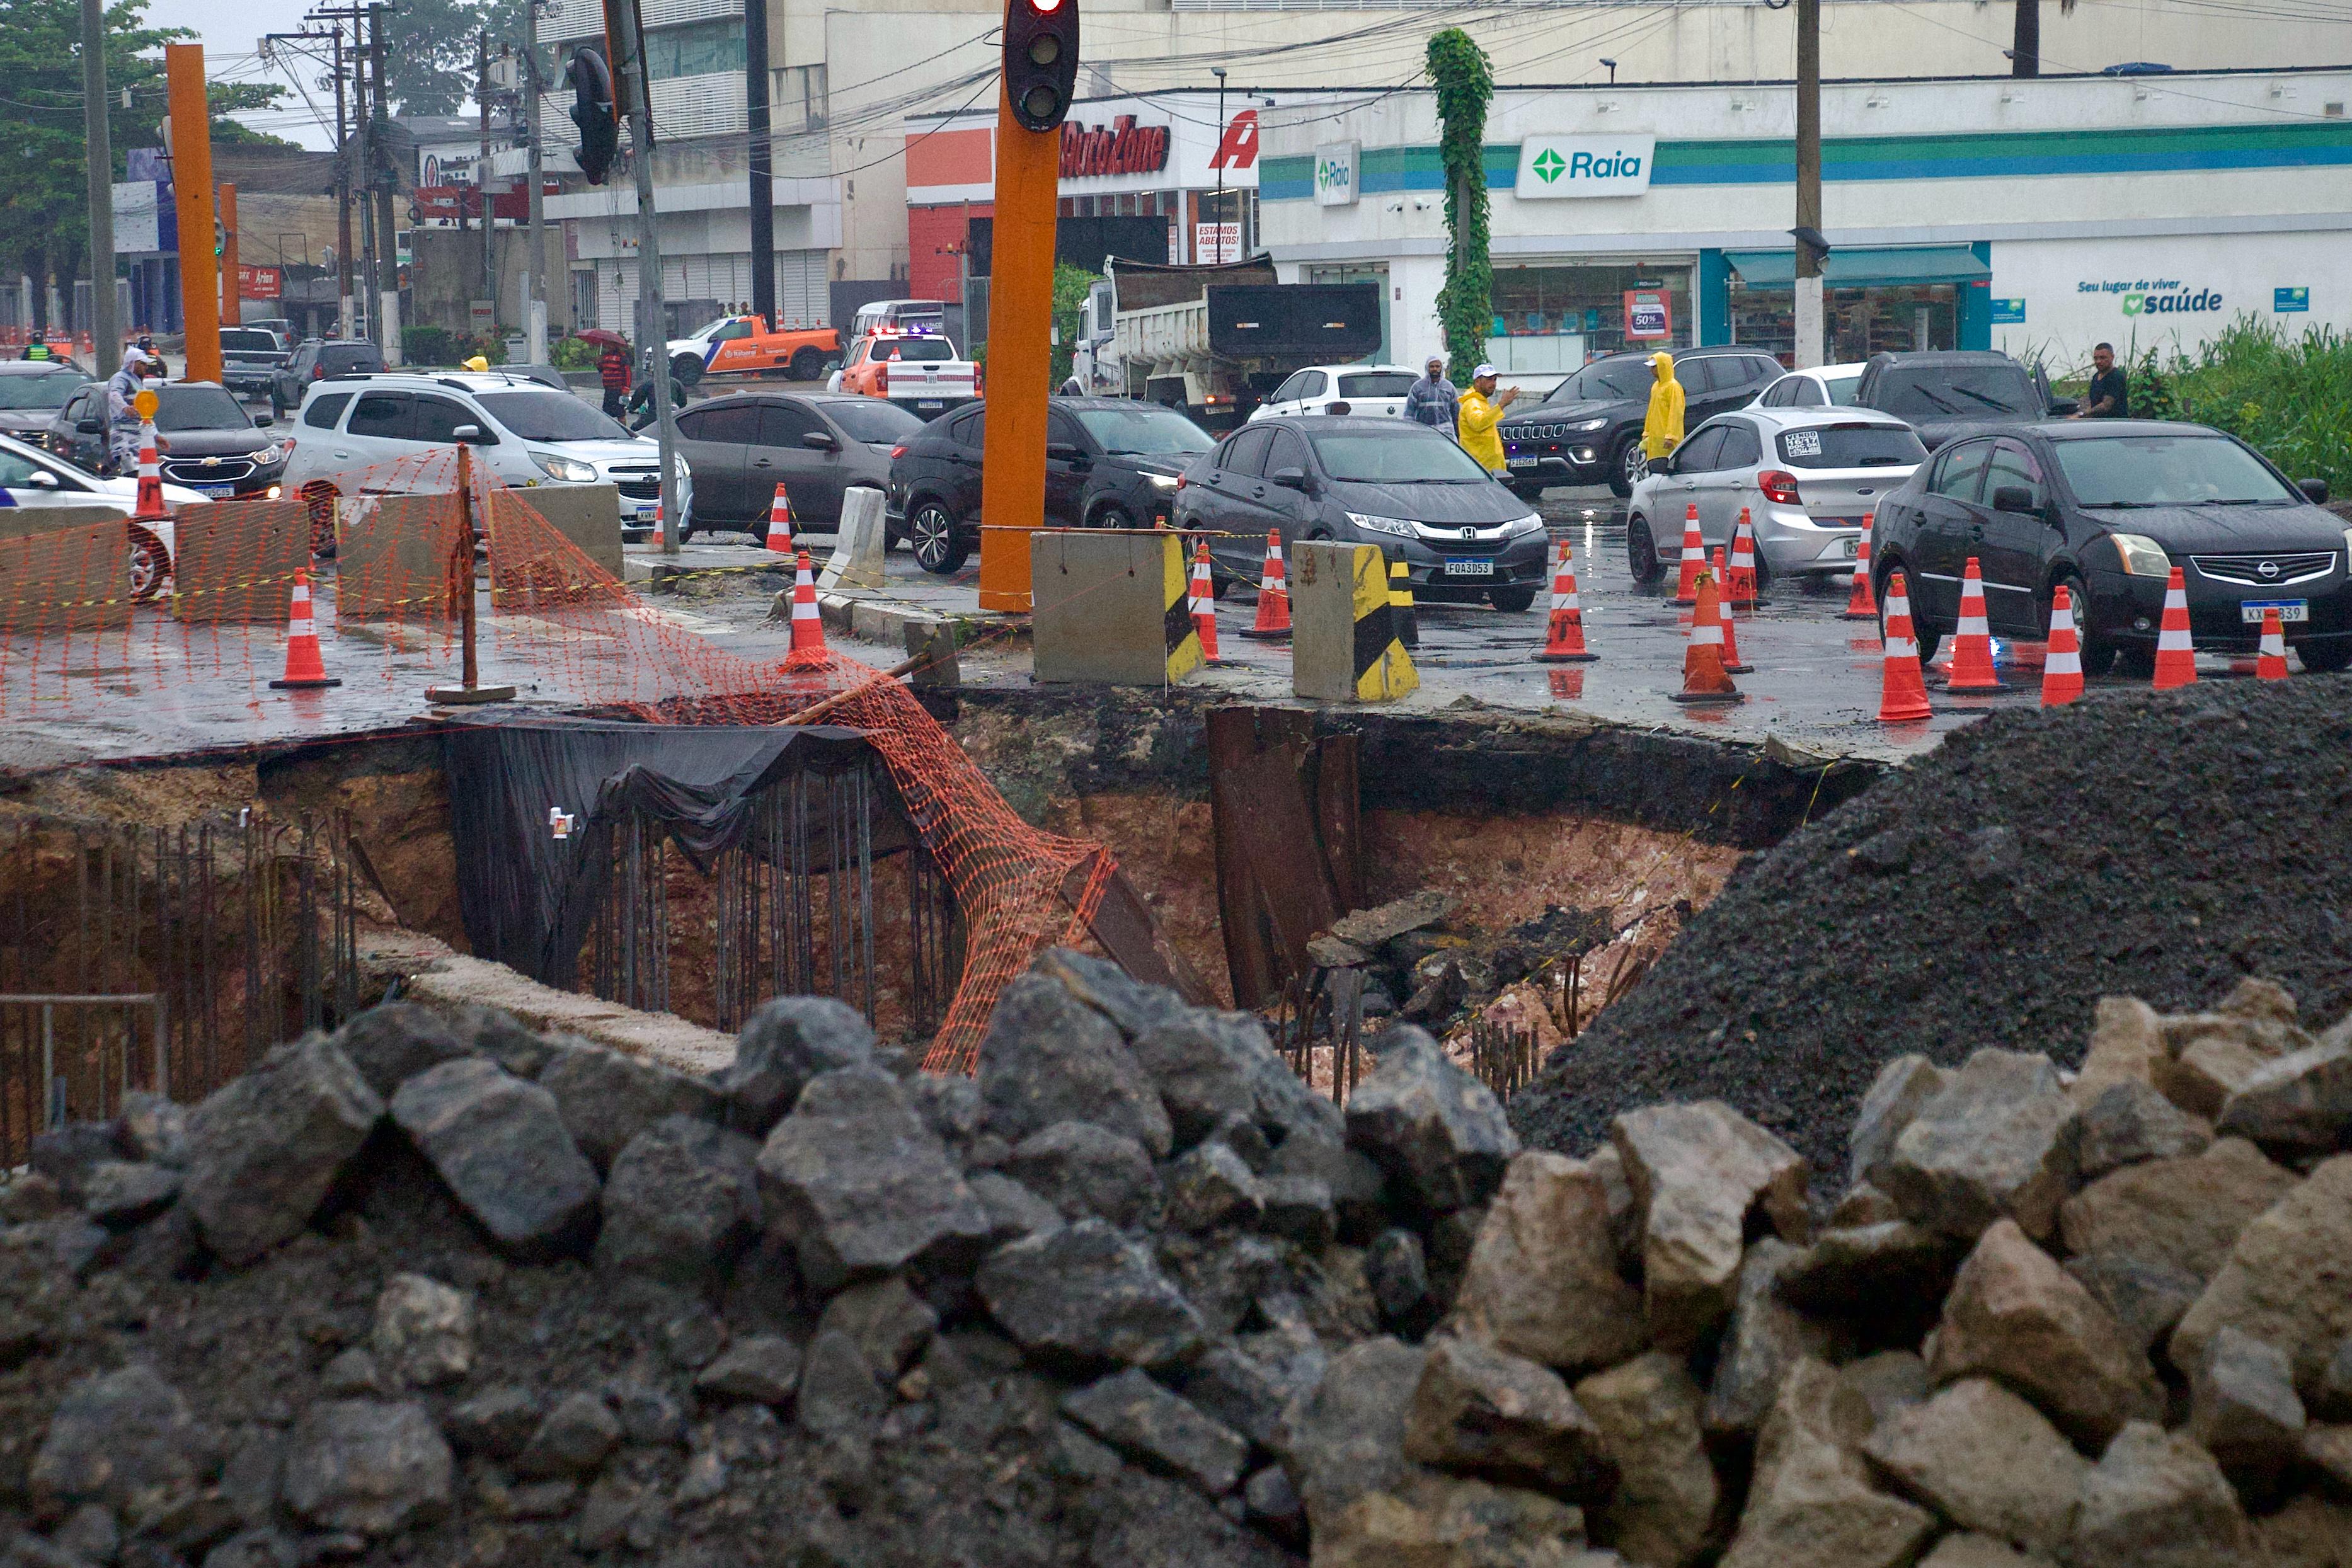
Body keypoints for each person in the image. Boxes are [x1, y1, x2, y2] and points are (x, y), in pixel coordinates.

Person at [1455, 363, 1521, 477]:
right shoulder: (1472, 403)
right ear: (1477, 382)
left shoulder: (1481, 402)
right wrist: (1502, 404)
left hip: (1489, 470)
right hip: (1481, 471)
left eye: (1495, 380)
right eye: (1489, 380)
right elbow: (1479, 423)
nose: (1493, 384)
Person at [103, 351, 158, 473]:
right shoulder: (121, 378)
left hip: (138, 436)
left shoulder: (138, 382)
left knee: (141, 472)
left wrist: (156, 435)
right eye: (142, 363)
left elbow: (145, 413)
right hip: (124, 437)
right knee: (131, 472)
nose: (146, 366)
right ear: (132, 363)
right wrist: (125, 407)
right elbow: (114, 394)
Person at [1640, 352, 1686, 472]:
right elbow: (1651, 411)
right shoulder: (1656, 387)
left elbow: (1676, 413)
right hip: (1655, 440)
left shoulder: (1673, 387)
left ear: (1663, 366)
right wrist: (1647, 432)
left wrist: (1671, 436)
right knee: (1655, 471)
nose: (1651, 370)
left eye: (1654, 367)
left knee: (1666, 472)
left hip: (1667, 443)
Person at [1404, 355, 1459, 435]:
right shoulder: (1418, 387)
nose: (1435, 369)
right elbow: (1409, 413)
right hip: (1423, 431)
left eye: (1437, 366)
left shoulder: (1449, 387)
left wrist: (1458, 433)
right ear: (1427, 368)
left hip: (1446, 432)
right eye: (1432, 366)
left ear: (1441, 368)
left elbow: (1456, 412)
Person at [2074, 342, 2129, 420]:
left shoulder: (2116, 377)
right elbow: (2093, 404)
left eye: (2103, 358)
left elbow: (2106, 406)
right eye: (2096, 358)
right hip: (2098, 424)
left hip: (2115, 424)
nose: (2098, 361)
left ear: (2112, 357)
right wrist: (2082, 417)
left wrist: (2082, 415)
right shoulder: (2096, 377)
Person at [626, 368, 690, 432]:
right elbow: (683, 402)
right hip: (674, 415)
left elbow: (637, 398)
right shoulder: (677, 383)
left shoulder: (649, 384)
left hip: (654, 415)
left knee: (634, 429)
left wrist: (631, 407)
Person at [597, 339, 631, 418]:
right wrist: (599, 363)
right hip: (608, 390)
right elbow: (601, 369)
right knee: (606, 413)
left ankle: (623, 429)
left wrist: (626, 388)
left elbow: (628, 373)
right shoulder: (606, 357)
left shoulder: (622, 357)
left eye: (611, 344)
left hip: (620, 390)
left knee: (621, 414)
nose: (609, 346)